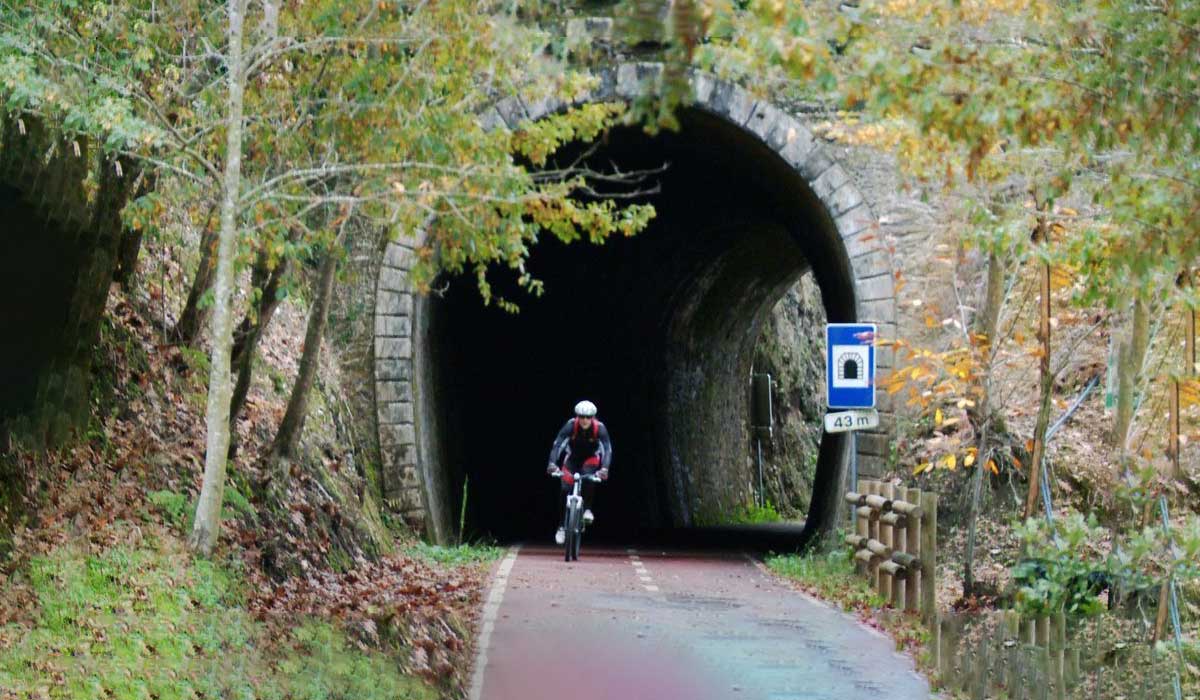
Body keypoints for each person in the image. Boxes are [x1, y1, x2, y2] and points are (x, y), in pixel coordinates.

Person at [546, 400, 612, 545]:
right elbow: (557, 445)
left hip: (591, 459)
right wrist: (552, 464)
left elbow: (607, 449)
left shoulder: (599, 429)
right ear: (577, 417)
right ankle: (562, 526)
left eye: (588, 417)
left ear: (593, 417)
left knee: (589, 478)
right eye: (581, 416)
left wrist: (604, 469)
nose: (584, 420)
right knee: (564, 489)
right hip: (573, 459)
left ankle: (587, 509)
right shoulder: (570, 426)